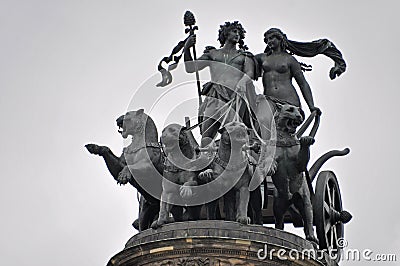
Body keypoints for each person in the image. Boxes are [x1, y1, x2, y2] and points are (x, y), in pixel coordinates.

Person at [255, 28, 346, 139]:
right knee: (262, 122)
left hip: (289, 101)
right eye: (267, 39)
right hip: (269, 100)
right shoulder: (262, 57)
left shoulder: (290, 60)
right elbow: (245, 66)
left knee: (284, 135)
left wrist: (311, 106)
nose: (269, 41)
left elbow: (302, 83)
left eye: (272, 38)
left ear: (280, 39)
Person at [184, 21, 257, 147]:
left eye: (239, 32)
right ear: (225, 33)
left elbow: (249, 73)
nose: (237, 34)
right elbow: (190, 68)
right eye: (234, 31)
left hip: (235, 97)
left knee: (236, 134)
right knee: (206, 137)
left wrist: (242, 82)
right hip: (214, 95)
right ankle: (205, 162)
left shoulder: (244, 56)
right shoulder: (213, 54)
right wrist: (187, 48)